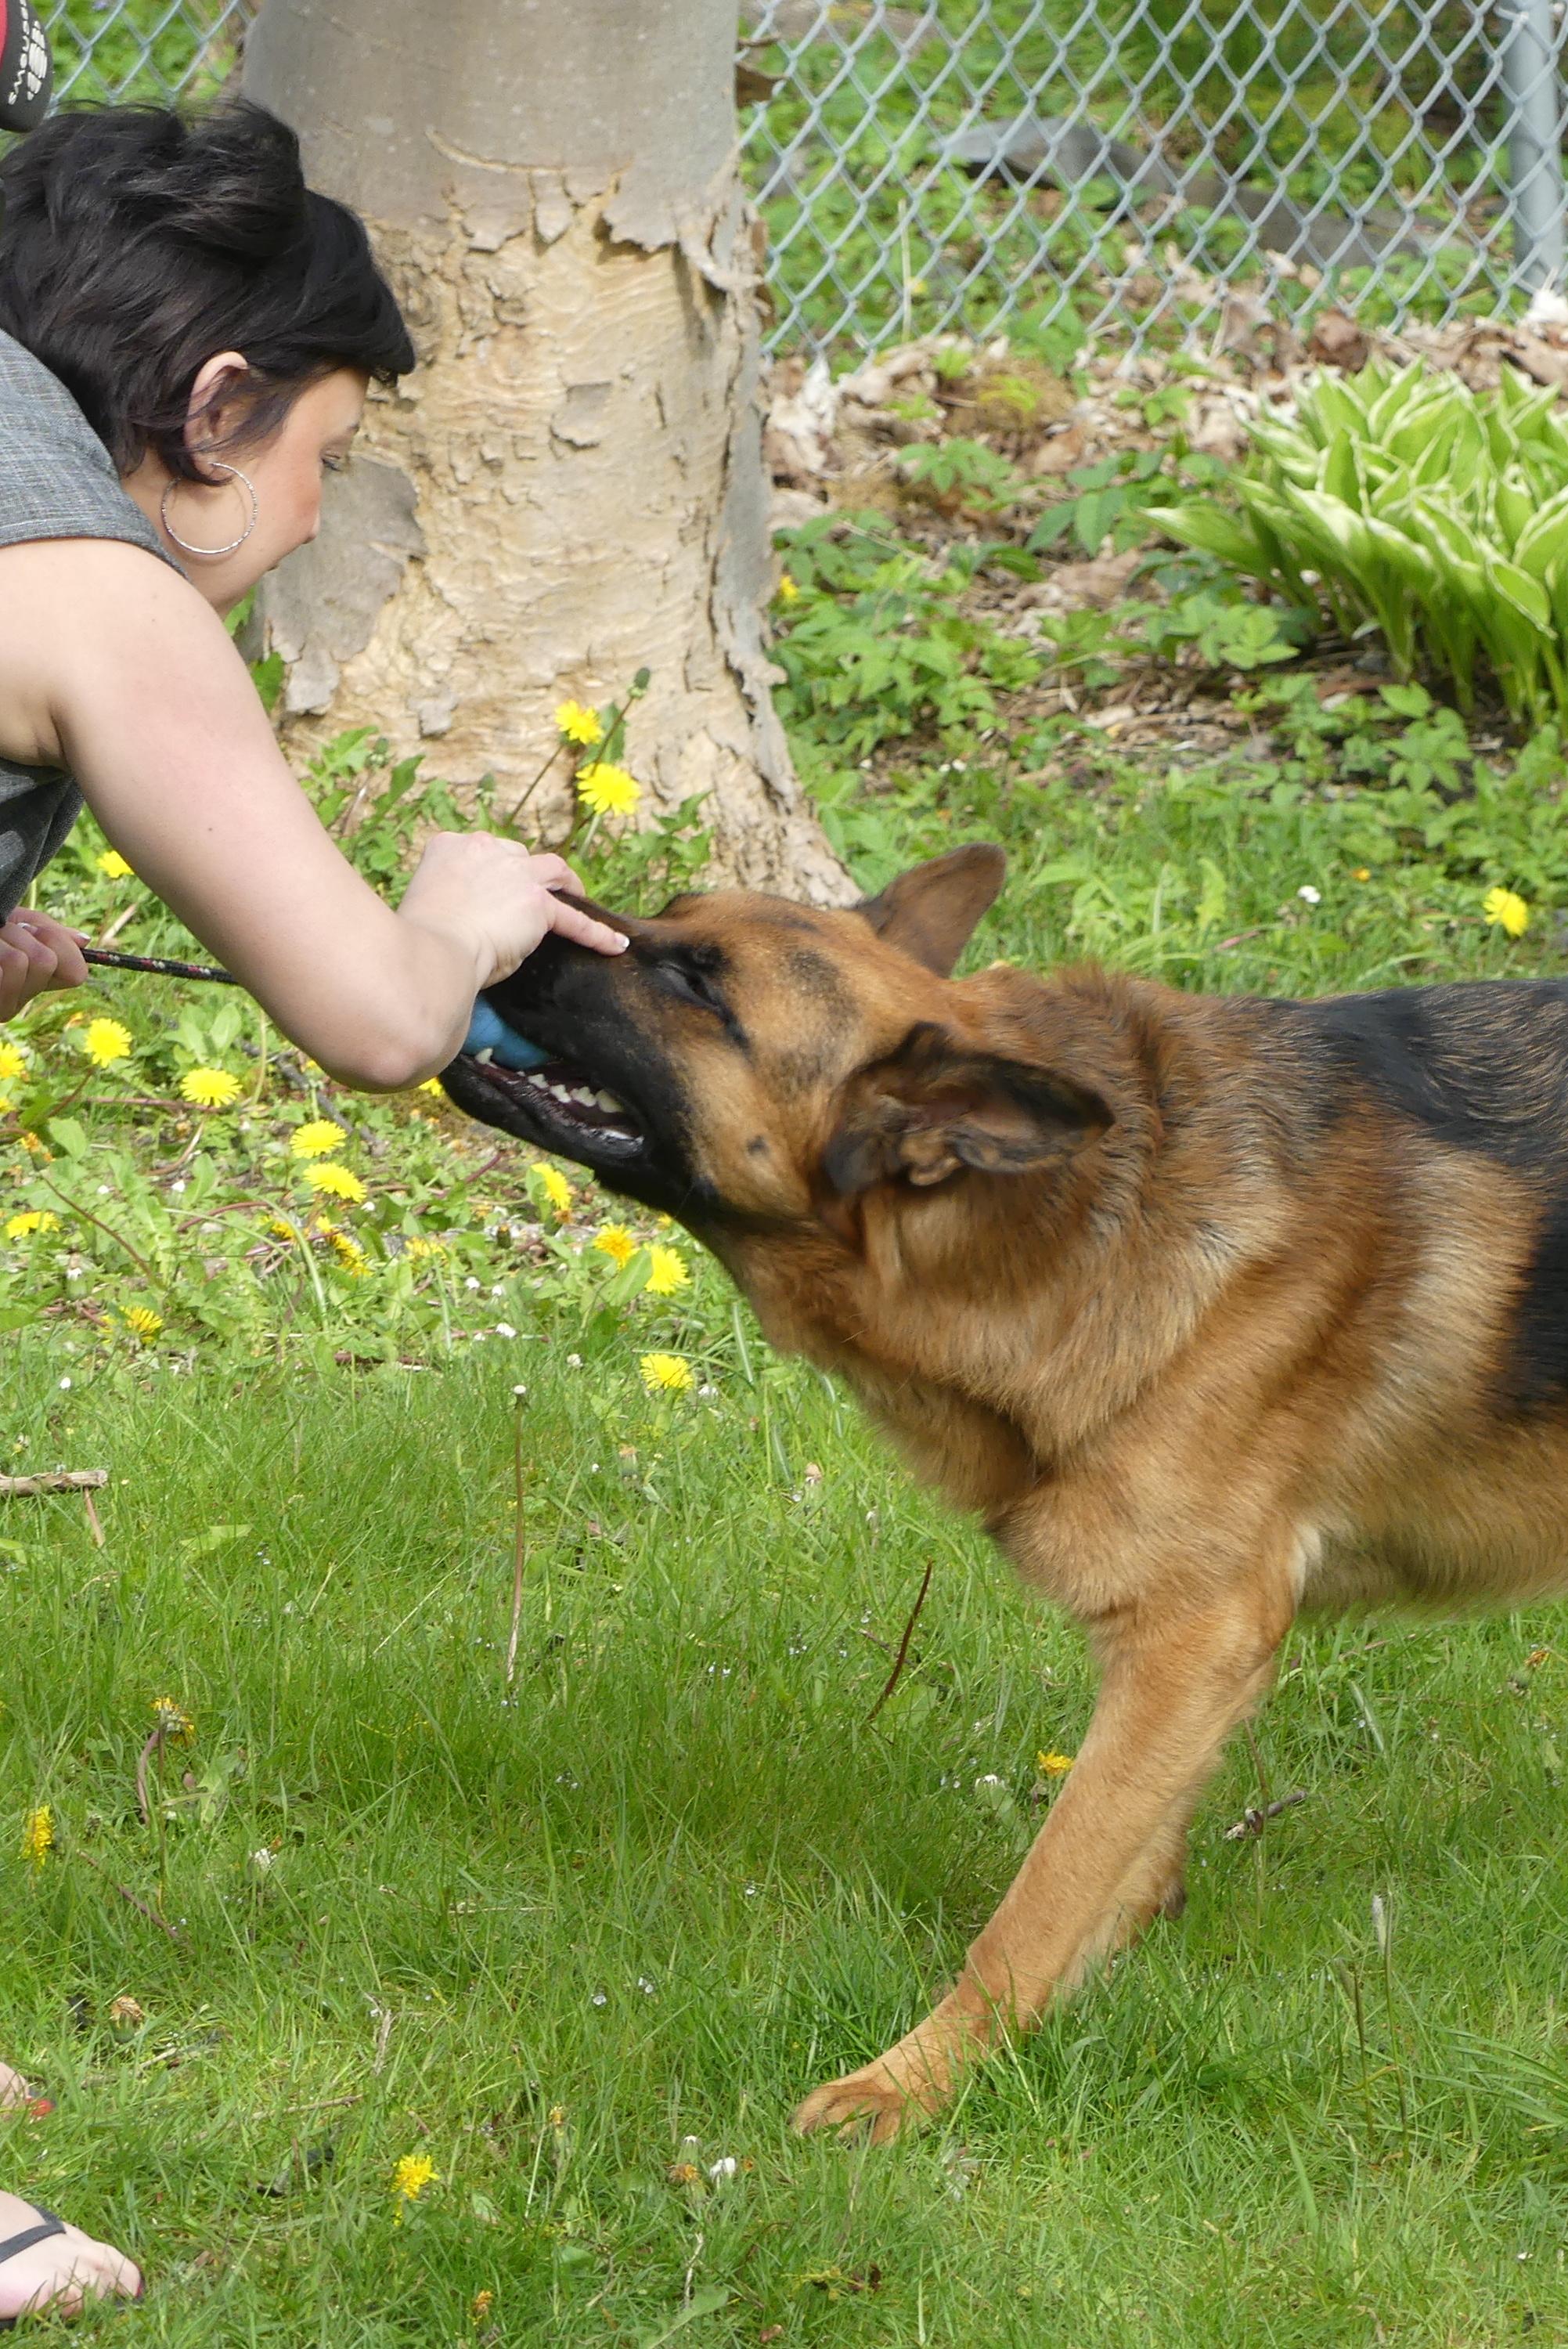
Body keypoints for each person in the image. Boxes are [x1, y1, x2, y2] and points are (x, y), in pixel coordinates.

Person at [0, 102, 626, 2322]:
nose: (311, 514)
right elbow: (372, 1017)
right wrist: (452, 903)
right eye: (325, 460)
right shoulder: (91, 577)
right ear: (216, 400)